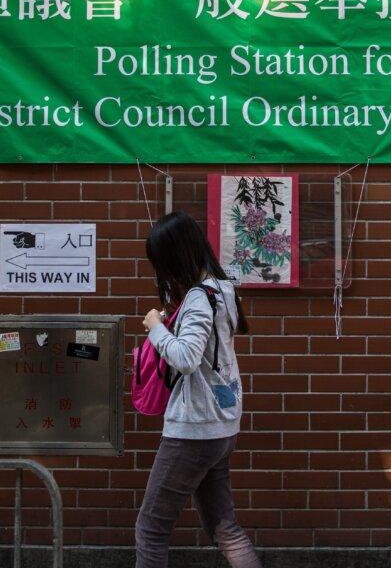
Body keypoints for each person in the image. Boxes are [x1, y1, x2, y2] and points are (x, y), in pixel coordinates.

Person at [135, 211, 262, 568]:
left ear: (174, 257)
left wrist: (156, 327)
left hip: (194, 428)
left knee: (150, 529)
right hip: (221, 425)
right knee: (224, 527)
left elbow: (186, 358)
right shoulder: (224, 290)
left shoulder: (197, 297)